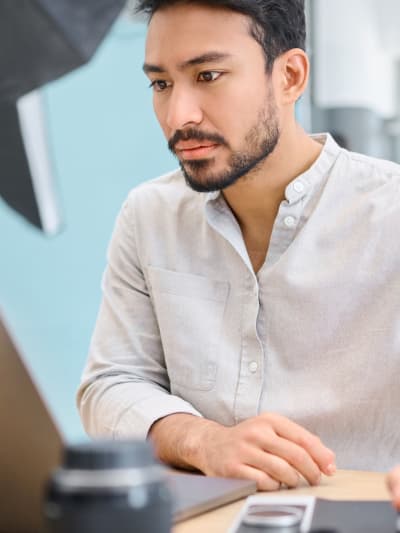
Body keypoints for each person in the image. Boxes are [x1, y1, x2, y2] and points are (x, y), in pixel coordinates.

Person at [77, 0, 400, 491]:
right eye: (161, 83)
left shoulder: (390, 212)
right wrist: (203, 441)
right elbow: (111, 383)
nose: (178, 114)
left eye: (207, 75)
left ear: (289, 76)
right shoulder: (149, 216)